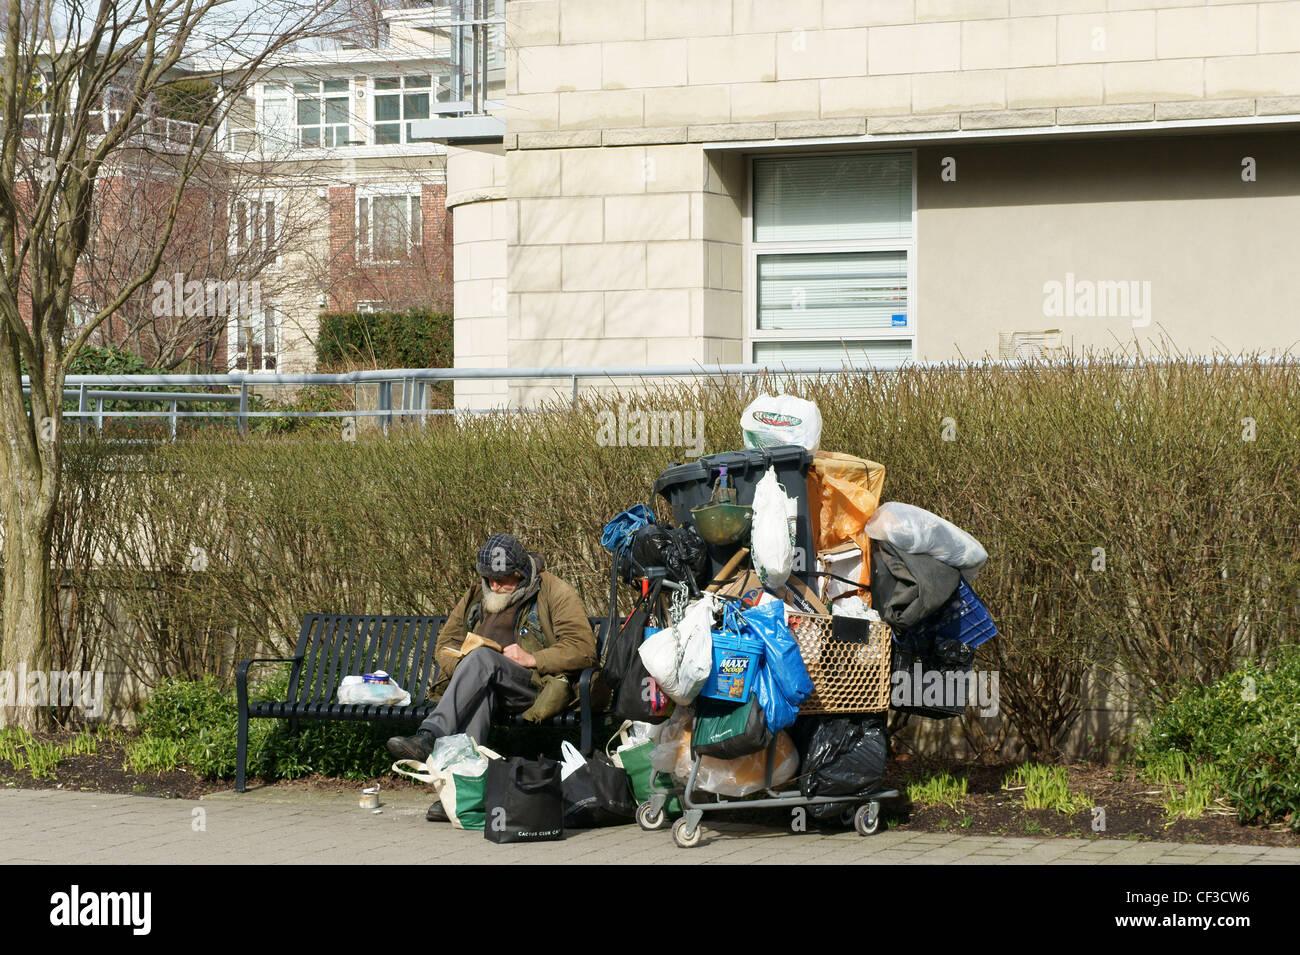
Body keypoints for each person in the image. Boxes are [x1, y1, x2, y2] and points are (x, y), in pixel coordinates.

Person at [386, 533, 596, 821]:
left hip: (533, 686)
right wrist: (464, 667)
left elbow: (584, 650)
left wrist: (533, 658)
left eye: (504, 579)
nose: (495, 586)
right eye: (489, 579)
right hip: (485, 684)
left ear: (521, 574)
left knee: (482, 659)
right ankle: (466, 797)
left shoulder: (554, 591)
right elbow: (445, 644)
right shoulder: (475, 595)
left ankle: (430, 735)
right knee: (480, 678)